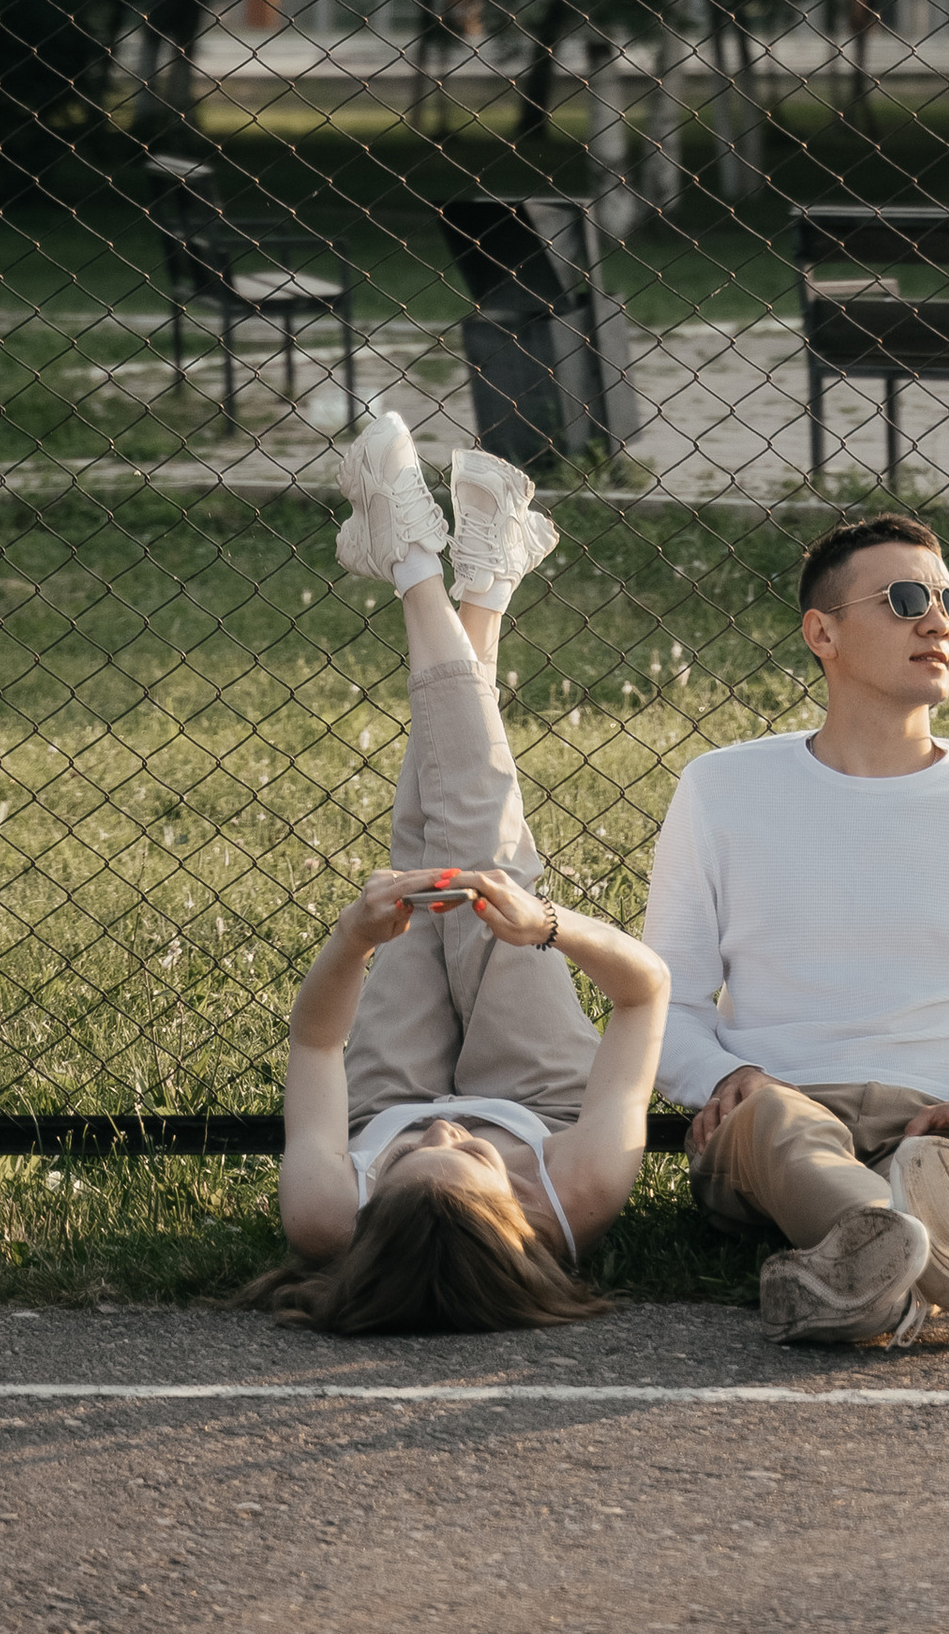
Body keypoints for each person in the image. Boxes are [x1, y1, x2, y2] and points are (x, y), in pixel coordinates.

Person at [244, 411, 668, 1335]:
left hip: (381, 1088)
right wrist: (546, 926)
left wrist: (355, 941)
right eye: (469, 1159)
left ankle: (481, 574)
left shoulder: (324, 1215)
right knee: (484, 854)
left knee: (431, 850)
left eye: (407, 1161)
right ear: (518, 1218)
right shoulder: (579, 1189)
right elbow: (645, 996)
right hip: (540, 1097)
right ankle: (419, 567)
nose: (446, 1130)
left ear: (369, 1211)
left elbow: (316, 1048)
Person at [643, 512, 949, 1349]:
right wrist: (728, 1076)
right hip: (776, 1110)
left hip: (937, 1123)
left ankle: (869, 1278)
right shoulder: (723, 789)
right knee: (782, 1126)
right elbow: (665, 1001)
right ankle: (929, 1251)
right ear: (821, 632)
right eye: (903, 600)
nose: (939, 622)